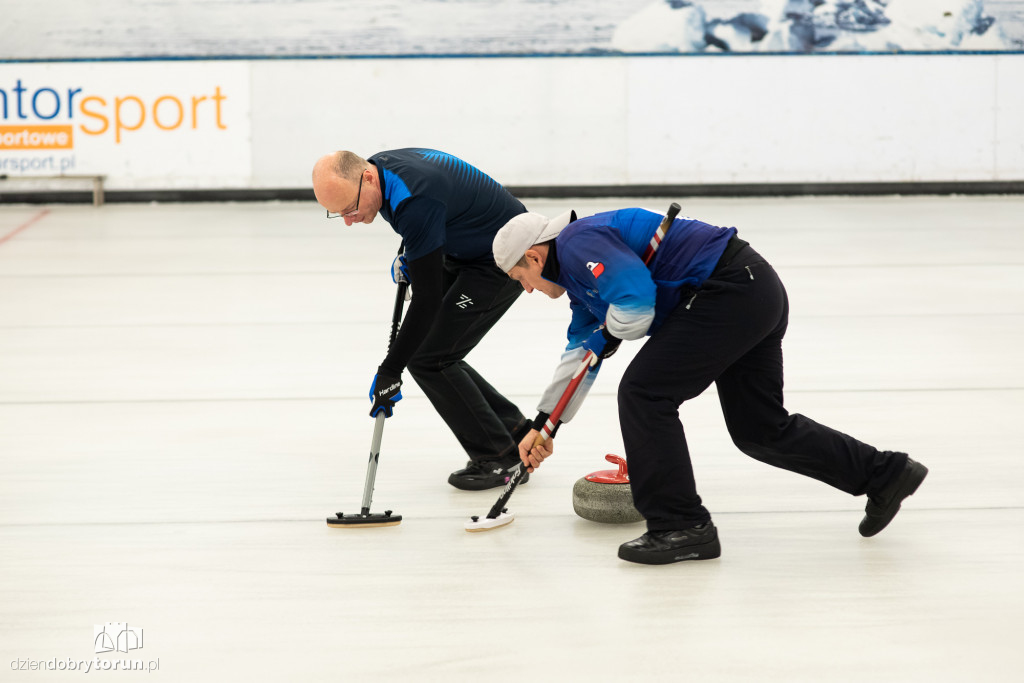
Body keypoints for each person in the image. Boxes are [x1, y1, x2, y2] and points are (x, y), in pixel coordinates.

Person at [491, 206, 928, 564]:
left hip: (729, 289)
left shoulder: (575, 242)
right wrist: (543, 425)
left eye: (519, 279)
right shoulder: (580, 285)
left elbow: (636, 302)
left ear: (533, 256)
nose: (526, 290)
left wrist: (609, 332)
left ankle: (680, 525)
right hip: (753, 289)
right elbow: (578, 360)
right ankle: (885, 473)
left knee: (644, 392)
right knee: (759, 428)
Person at [312, 148, 533, 490]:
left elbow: (427, 302)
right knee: (436, 354)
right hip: (465, 246)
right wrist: (411, 256)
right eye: (338, 214)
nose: (348, 220)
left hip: (502, 260)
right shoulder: (381, 170)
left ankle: (499, 457)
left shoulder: (414, 199)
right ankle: (515, 432)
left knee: (431, 359)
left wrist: (390, 370)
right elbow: (429, 217)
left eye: (350, 209)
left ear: (366, 178)